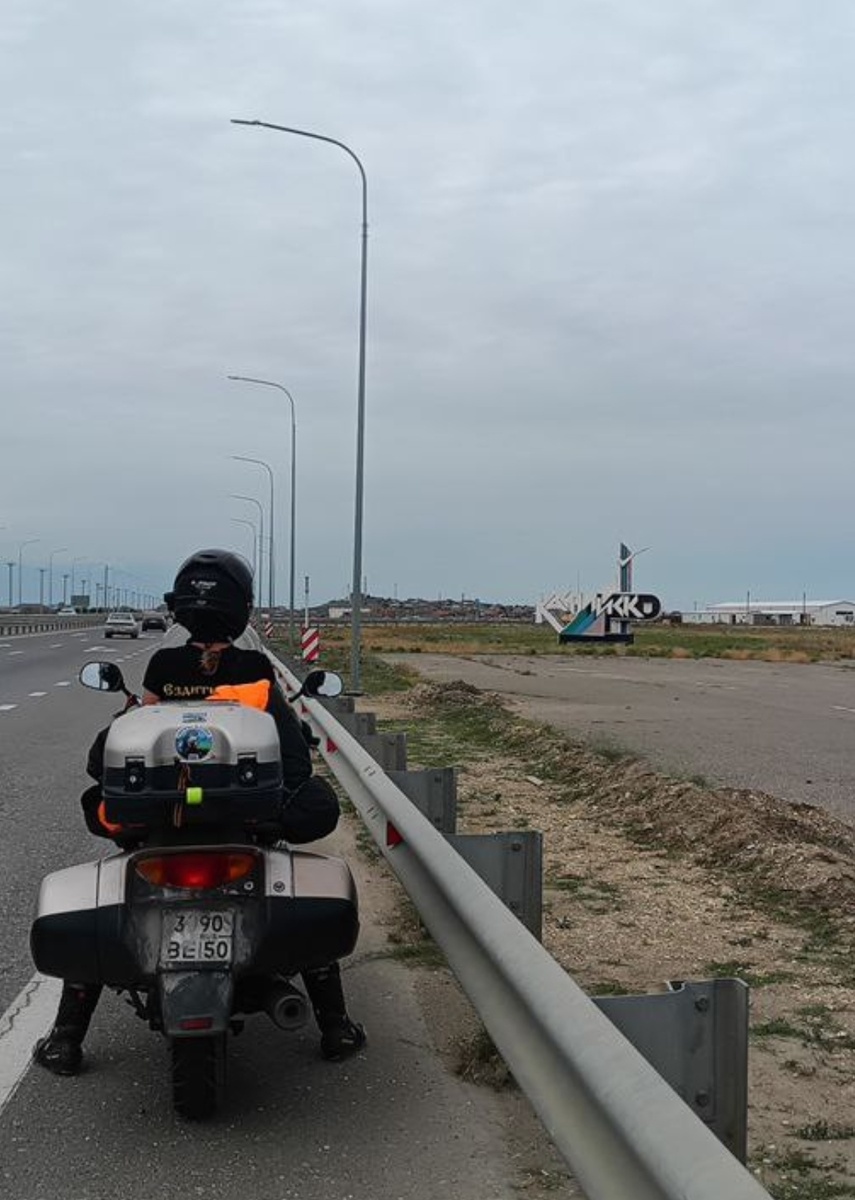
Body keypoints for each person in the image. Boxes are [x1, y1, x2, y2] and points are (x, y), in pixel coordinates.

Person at [35, 548, 365, 1075]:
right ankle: (336, 1026)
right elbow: (293, 757)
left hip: (160, 821)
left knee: (107, 892)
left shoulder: (163, 665)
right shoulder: (255, 668)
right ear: (243, 608)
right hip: (244, 823)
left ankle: (65, 1037)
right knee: (302, 867)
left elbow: (113, 747)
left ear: (181, 608)